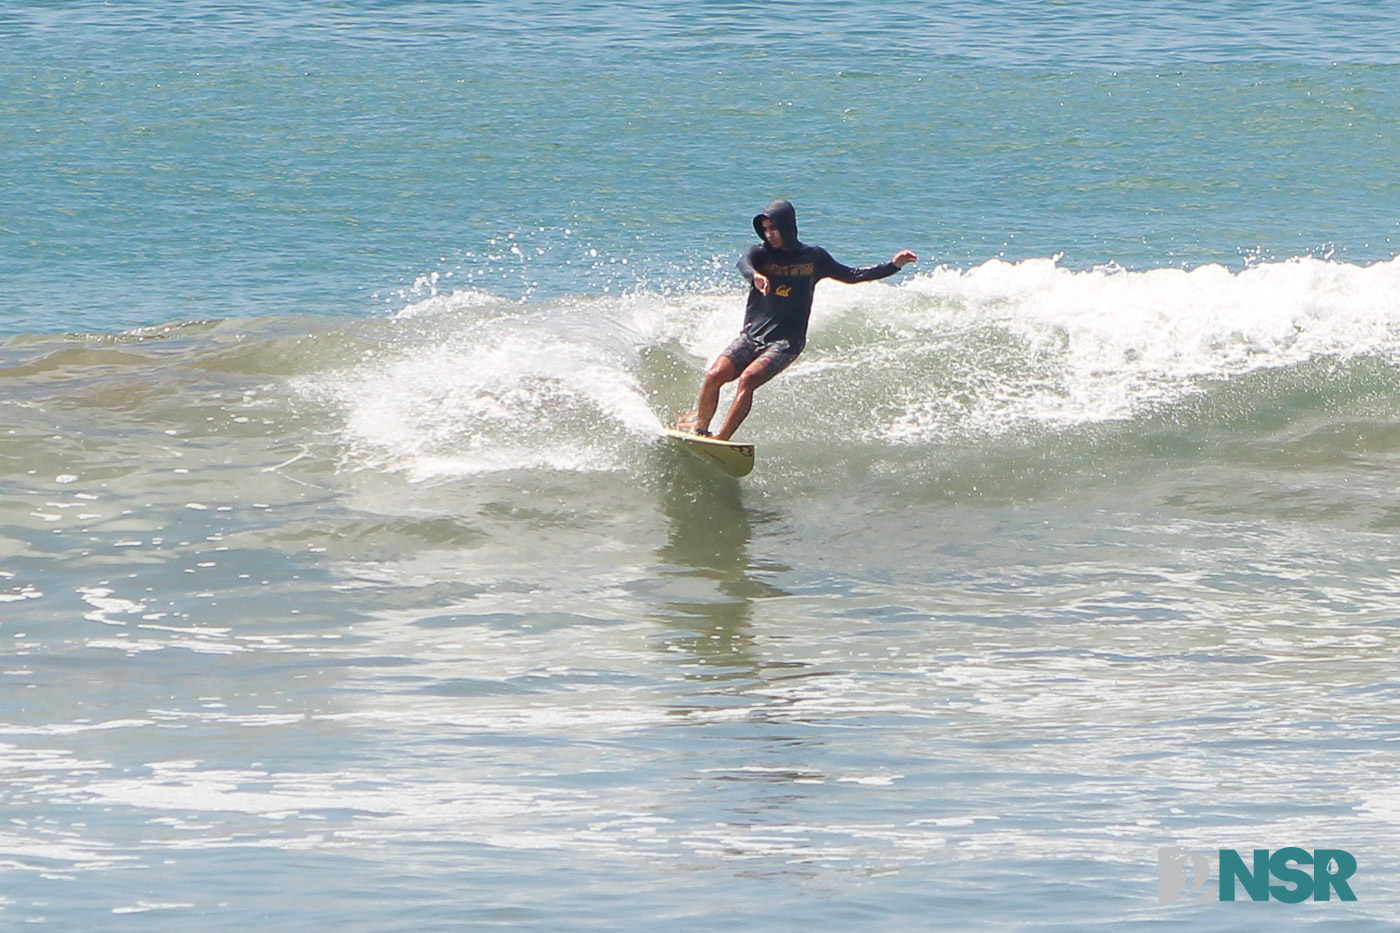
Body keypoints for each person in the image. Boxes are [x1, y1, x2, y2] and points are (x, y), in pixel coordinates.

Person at [678, 199, 918, 440]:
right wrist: (755, 276)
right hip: (752, 337)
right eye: (766, 229)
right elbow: (743, 263)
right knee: (714, 375)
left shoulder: (814, 258)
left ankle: (721, 440)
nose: (769, 235)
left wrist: (892, 266)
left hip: (785, 343)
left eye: (774, 229)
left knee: (748, 379)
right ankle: (700, 429)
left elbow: (852, 275)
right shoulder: (760, 254)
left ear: (787, 227)